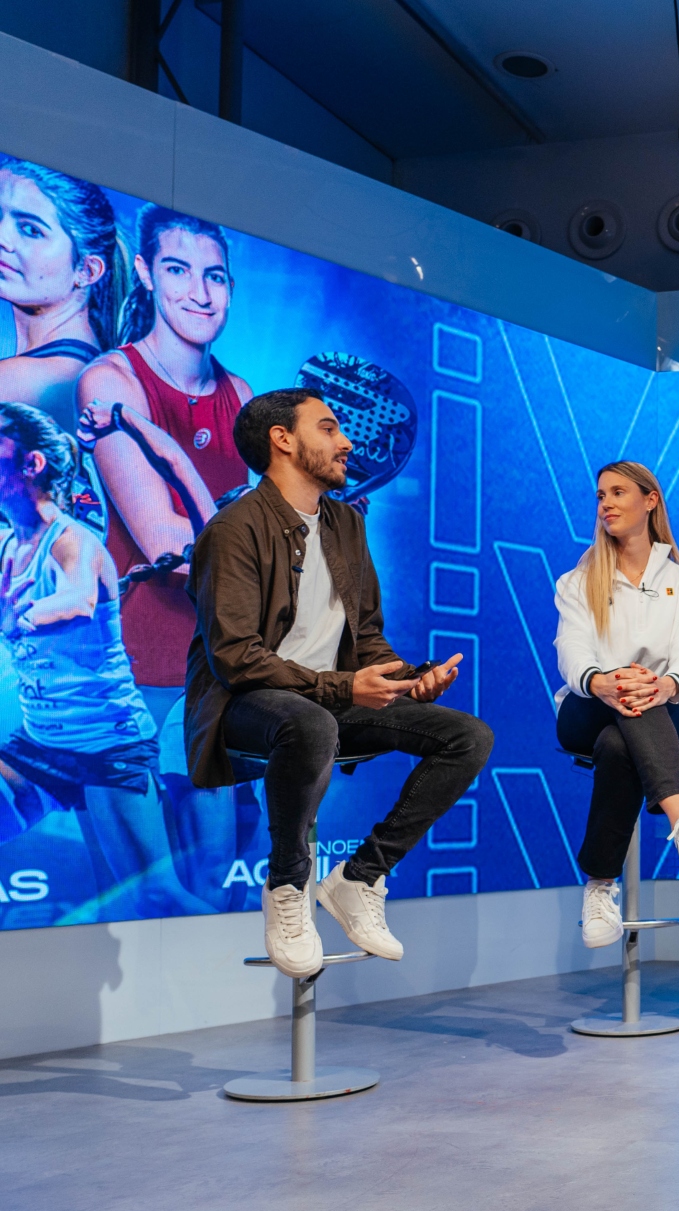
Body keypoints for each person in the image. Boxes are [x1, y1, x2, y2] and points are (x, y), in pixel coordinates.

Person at [186, 387, 494, 979]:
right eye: (328, 428)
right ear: (283, 440)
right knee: (310, 720)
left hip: (330, 700)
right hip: (244, 705)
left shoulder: (347, 524)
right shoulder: (233, 530)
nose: (346, 441)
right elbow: (236, 659)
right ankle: (286, 888)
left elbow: (367, 635)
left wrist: (406, 679)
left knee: (468, 737)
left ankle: (361, 878)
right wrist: (343, 690)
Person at [77, 206, 254, 901]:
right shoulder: (110, 382)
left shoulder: (241, 395)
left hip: (213, 659)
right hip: (130, 660)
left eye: (215, 275)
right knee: (147, 901)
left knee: (214, 895)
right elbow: (172, 548)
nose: (200, 293)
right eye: (179, 270)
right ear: (147, 275)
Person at [0, 402, 192, 919]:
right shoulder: (7, 545)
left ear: (31, 463)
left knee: (155, 896)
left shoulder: (74, 542)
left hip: (109, 745)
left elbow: (79, 599)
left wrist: (20, 616)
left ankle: (255, 957)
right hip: (43, 744)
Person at [554, 460, 679, 947]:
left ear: (650, 501)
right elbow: (572, 651)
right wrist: (603, 681)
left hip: (666, 708)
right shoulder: (577, 580)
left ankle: (598, 885)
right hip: (586, 706)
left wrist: (664, 686)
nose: (605, 503)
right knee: (621, 706)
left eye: (618, 493)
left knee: (620, 743)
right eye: (601, 495)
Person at [0, 161, 129, 431]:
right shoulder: (90, 368)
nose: (2, 237)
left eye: (31, 230)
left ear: (87, 269)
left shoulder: (21, 380)